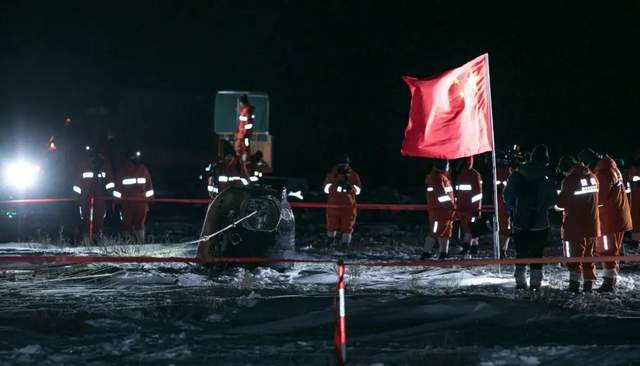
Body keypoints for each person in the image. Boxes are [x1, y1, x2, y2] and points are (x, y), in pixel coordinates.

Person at [504, 144, 558, 290]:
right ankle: (535, 282)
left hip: (520, 222)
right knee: (537, 253)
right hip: (540, 223)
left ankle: (520, 280)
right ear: (545, 160)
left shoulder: (517, 174)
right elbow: (553, 200)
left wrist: (516, 209)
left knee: (520, 252)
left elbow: (507, 195)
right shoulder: (547, 176)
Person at [580, 149, 632, 292]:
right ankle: (611, 279)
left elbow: (599, 198)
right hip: (616, 216)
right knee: (612, 249)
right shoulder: (610, 167)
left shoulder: (603, 173)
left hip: (608, 218)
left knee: (607, 249)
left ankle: (609, 283)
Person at [556, 155, 600, 293]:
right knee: (589, 257)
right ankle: (588, 285)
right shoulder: (592, 176)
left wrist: (556, 203)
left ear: (565, 169)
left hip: (574, 226)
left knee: (573, 257)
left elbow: (561, 203)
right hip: (592, 224)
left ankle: (574, 285)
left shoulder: (570, 180)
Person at [72, 146, 115, 242]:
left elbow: (77, 184)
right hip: (92, 200)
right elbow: (77, 185)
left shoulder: (102, 165)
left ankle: (91, 242)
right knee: (91, 221)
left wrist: (76, 199)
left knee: (93, 221)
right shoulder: (102, 165)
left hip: (92, 200)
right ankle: (91, 242)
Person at [114, 150, 154, 243]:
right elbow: (149, 188)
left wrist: (117, 202)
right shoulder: (143, 169)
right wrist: (150, 201)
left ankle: (127, 244)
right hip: (141, 203)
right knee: (139, 225)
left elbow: (117, 189)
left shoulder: (122, 170)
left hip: (127, 203)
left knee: (126, 225)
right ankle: (140, 244)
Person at [323, 155, 362, 246]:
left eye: (344, 164)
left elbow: (359, 190)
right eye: (341, 164)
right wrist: (334, 186)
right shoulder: (331, 175)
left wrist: (350, 187)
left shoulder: (353, 175)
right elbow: (325, 189)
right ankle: (330, 242)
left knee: (347, 226)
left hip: (348, 205)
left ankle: (345, 245)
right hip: (333, 204)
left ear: (348, 164)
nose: (343, 166)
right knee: (331, 224)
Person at [422, 159, 456, 260]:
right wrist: (451, 206)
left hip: (445, 211)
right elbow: (441, 195)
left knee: (446, 231)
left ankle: (443, 253)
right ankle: (426, 253)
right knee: (435, 231)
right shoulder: (436, 177)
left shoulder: (443, 177)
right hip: (439, 211)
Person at [455, 156, 482, 256]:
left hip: (471, 208)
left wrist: (476, 209)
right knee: (468, 228)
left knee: (470, 229)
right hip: (463, 208)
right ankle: (474, 248)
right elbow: (458, 192)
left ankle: (467, 248)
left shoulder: (474, 174)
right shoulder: (461, 174)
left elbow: (478, 194)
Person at [234, 94, 255, 162]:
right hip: (241, 134)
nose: (240, 104)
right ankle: (240, 161)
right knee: (239, 148)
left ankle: (246, 160)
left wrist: (246, 133)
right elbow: (241, 121)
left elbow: (248, 122)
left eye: (241, 103)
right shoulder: (243, 110)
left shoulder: (248, 110)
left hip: (245, 135)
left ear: (243, 102)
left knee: (246, 147)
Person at [629, 152, 640, 247]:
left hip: (636, 195)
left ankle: (636, 240)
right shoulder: (634, 168)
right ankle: (636, 240)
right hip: (636, 195)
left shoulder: (634, 168)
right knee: (636, 218)